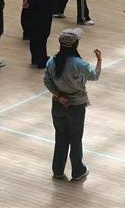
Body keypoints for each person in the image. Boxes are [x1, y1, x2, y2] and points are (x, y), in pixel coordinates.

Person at [43, 28, 101, 181]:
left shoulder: (51, 61)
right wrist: (99, 60)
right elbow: (95, 76)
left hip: (57, 105)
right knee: (75, 138)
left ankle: (57, 170)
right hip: (76, 106)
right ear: (75, 44)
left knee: (60, 137)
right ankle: (77, 170)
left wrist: (59, 96)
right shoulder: (80, 64)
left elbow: (47, 81)